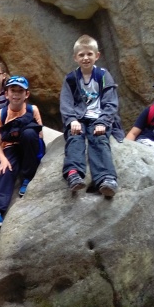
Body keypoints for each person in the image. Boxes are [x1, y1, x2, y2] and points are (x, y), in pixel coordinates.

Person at [60, 34, 124, 197]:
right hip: (79, 118)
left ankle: (107, 178)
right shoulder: (71, 79)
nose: (86, 58)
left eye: (89, 54)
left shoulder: (103, 75)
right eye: (81, 55)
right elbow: (66, 102)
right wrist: (71, 120)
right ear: (75, 58)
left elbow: (111, 102)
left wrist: (103, 121)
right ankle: (74, 174)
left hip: (99, 118)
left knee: (99, 139)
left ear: (97, 55)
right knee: (75, 137)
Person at [0, 76, 44, 228]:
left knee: (30, 134)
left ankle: (27, 177)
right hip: (9, 147)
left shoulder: (32, 110)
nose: (16, 94)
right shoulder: (1, 114)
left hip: (28, 144)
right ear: (6, 94)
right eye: (13, 90)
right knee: (6, 170)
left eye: (20, 91)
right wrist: (3, 160)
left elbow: (39, 136)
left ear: (26, 94)